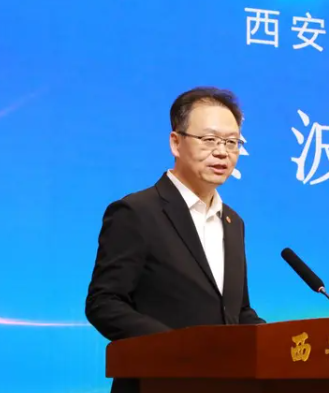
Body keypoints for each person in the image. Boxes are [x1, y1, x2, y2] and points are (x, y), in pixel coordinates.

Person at [85, 87, 265, 393]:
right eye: (209, 139)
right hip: (156, 382)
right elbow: (104, 303)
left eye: (231, 142)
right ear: (176, 142)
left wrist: (276, 343)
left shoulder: (233, 222)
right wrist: (177, 347)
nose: (222, 152)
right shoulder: (137, 212)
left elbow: (237, 312)